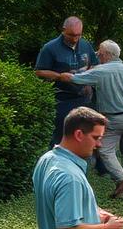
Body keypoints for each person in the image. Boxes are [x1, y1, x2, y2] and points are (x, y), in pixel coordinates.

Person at [60, 40, 123, 199]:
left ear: (106, 55)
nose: (97, 54)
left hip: (113, 118)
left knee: (104, 149)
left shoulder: (100, 71)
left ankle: (122, 179)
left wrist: (61, 75)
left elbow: (76, 79)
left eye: (99, 52)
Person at [34, 16, 99, 147]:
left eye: (78, 35)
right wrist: (59, 76)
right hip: (62, 101)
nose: (75, 38)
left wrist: (90, 72)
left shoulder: (86, 45)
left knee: (84, 137)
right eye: (71, 35)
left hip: (85, 99)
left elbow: (95, 64)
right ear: (63, 30)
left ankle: (80, 165)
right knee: (61, 137)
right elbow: (39, 72)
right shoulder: (50, 48)